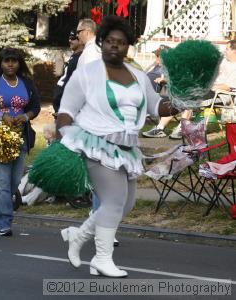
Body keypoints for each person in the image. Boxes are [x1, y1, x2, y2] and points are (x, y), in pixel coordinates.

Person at [57, 16, 178, 277]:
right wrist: (67, 142)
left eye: (121, 42)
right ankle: (101, 258)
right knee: (112, 201)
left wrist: (179, 103)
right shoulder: (87, 73)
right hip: (97, 143)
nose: (115, 46)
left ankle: (78, 236)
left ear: (128, 46)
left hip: (128, 148)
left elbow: (156, 106)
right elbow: (65, 111)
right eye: (109, 41)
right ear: (101, 43)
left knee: (125, 206)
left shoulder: (137, 75)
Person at [0, 48, 41, 237]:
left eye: (14, 61)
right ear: (0, 63)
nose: (10, 64)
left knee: (13, 183)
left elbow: (35, 106)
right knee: (2, 182)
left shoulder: (27, 83)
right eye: (6, 61)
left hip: (20, 137)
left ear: (20, 63)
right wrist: (0, 115)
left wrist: (26, 116)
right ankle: (3, 221)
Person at [142, 45, 192, 139]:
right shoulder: (158, 67)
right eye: (157, 55)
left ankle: (178, 128)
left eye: (158, 56)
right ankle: (164, 128)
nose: (156, 58)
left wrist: (164, 80)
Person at [52, 30, 85, 114]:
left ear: (81, 41)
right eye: (69, 38)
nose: (70, 40)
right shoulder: (74, 56)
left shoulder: (81, 58)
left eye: (73, 38)